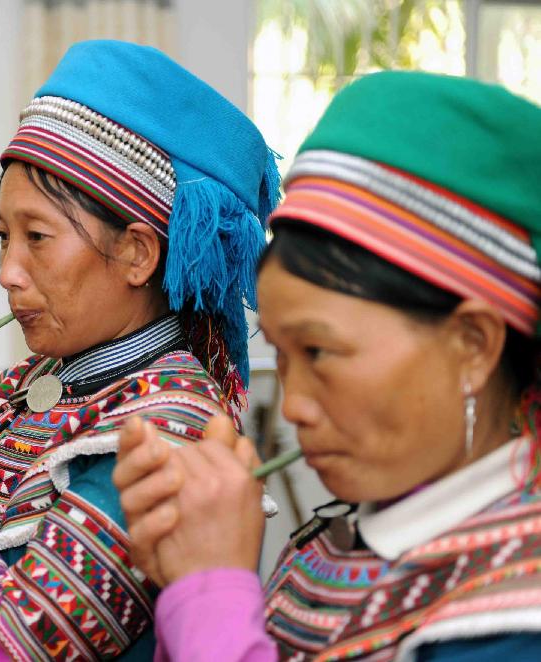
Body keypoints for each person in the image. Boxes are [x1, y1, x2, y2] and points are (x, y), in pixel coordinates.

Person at [0, 40, 281, 659]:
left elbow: (5, 650)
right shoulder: (20, 390)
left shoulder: (163, 430)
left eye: (37, 236)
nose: (7, 272)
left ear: (138, 253)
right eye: (5, 236)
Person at [113, 71, 541, 661]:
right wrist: (183, 583)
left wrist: (210, 592)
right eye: (283, 356)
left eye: (320, 352)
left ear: (472, 344)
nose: (292, 407)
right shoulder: (326, 546)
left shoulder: (517, 608)